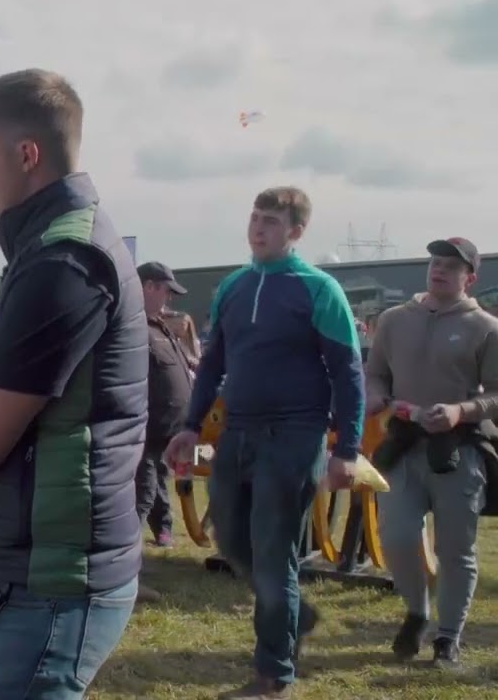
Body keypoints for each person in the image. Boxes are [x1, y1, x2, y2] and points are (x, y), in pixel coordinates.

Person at [0, 69, 147, 700]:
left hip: (46, 587)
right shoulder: (48, 249)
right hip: (29, 570)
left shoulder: (63, 264)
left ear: (26, 155)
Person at [164, 186, 364, 699]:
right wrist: (190, 425)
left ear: (295, 232)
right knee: (231, 540)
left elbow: (348, 371)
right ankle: (296, 615)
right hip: (238, 431)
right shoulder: (233, 286)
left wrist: (346, 450)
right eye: (255, 217)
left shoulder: (318, 289)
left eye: (271, 221)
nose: (259, 227)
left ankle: (273, 675)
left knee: (274, 554)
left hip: (295, 434)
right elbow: (212, 363)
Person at [365, 237, 498, 668]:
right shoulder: (393, 320)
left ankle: (448, 638)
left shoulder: (486, 328)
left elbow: (496, 395)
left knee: (456, 549)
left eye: (450, 266)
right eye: (435, 263)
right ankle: (417, 612)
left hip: (457, 450)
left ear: (470, 278)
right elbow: (376, 376)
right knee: (397, 537)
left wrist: (461, 410)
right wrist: (378, 397)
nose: (438, 270)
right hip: (402, 445)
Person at [137, 261, 193, 553]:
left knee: (156, 481)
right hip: (145, 428)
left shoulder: (158, 324)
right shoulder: (131, 325)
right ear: (149, 286)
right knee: (143, 491)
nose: (169, 299)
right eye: (166, 291)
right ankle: (125, 558)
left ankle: (163, 530)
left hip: (166, 430)